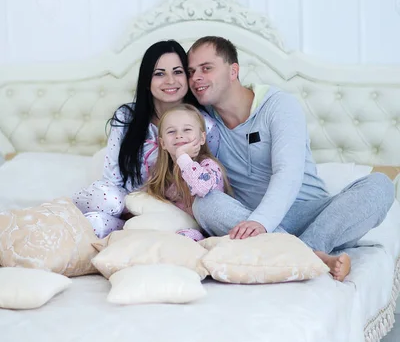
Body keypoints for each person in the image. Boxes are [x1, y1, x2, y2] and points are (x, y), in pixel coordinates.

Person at [187, 36, 395, 281]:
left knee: (380, 185)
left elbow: (288, 172)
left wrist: (263, 221)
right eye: (190, 72)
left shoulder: (279, 106)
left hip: (311, 216)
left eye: (206, 68)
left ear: (234, 71)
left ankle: (300, 251)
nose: (195, 78)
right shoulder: (202, 124)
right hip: (249, 218)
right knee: (204, 203)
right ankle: (312, 256)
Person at [73, 41, 219, 238]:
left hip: (173, 214)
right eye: (159, 73)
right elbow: (112, 179)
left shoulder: (205, 125)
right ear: (147, 81)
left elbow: (213, 181)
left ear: (187, 76)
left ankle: (135, 232)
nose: (170, 80)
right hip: (123, 207)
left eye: (177, 72)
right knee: (98, 216)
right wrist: (131, 208)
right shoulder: (127, 118)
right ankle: (69, 212)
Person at [144, 103, 232, 241]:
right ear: (162, 143)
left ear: (202, 138)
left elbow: (202, 188)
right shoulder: (163, 175)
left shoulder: (208, 165)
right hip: (195, 231)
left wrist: (182, 156)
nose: (179, 135)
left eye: (187, 129)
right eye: (171, 132)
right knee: (179, 238)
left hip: (219, 226)